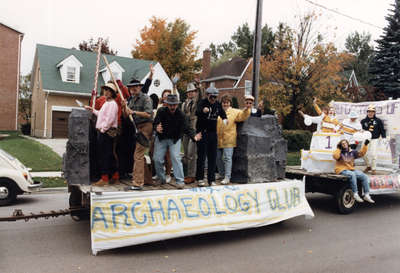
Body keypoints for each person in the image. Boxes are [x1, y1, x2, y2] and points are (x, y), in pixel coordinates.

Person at [153, 94, 201, 188]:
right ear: (166, 104)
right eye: (170, 105)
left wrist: (194, 137)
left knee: (175, 157)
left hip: (174, 139)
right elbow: (155, 123)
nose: (172, 107)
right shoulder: (161, 111)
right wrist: (156, 128)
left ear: (177, 105)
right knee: (157, 159)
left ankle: (180, 181)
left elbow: (187, 128)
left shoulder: (181, 115)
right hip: (162, 138)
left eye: (174, 105)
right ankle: (161, 178)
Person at [84, 83, 119, 186]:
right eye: (105, 90)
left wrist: (102, 130)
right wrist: (93, 110)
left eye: (109, 90)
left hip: (106, 133)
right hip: (105, 132)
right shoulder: (107, 103)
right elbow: (102, 115)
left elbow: (109, 119)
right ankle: (114, 176)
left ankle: (104, 179)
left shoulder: (112, 104)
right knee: (109, 155)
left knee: (104, 156)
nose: (106, 92)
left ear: (112, 93)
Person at [123, 78, 153, 190]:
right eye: (131, 87)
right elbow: (126, 116)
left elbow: (149, 114)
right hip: (137, 128)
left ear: (140, 87)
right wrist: (124, 107)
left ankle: (138, 183)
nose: (133, 88)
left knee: (138, 155)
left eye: (135, 86)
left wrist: (133, 112)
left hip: (146, 127)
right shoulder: (130, 101)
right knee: (139, 155)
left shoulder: (146, 98)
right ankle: (148, 180)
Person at [195, 86, 228, 187]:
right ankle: (200, 178)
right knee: (201, 157)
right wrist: (203, 110)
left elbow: (222, 114)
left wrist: (225, 119)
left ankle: (211, 179)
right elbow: (197, 112)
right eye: (211, 97)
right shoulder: (202, 102)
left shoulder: (217, 105)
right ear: (207, 95)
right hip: (202, 133)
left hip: (213, 134)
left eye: (215, 97)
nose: (213, 99)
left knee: (212, 157)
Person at [216, 94, 252, 184]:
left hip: (229, 138)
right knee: (217, 158)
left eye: (227, 102)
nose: (225, 104)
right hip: (217, 139)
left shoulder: (235, 112)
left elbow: (243, 116)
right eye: (224, 103)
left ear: (230, 103)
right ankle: (221, 173)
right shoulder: (217, 111)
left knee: (228, 158)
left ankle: (227, 177)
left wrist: (247, 109)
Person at [333, 139, 375, 203]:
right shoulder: (340, 152)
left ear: (347, 144)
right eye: (342, 144)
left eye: (345, 143)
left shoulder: (352, 152)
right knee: (352, 175)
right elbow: (335, 156)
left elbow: (361, 154)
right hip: (341, 169)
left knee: (364, 176)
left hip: (350, 169)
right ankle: (355, 193)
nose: (344, 144)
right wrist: (339, 148)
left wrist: (365, 145)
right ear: (341, 145)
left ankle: (366, 195)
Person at [182, 82, 200, 184]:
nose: (190, 93)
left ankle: (191, 175)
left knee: (191, 153)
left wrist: (199, 86)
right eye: (189, 92)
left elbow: (200, 97)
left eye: (192, 91)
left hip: (194, 129)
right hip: (185, 130)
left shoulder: (197, 102)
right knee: (185, 153)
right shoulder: (184, 103)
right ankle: (186, 174)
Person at [361, 104, 386, 175]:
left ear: (374, 112)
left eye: (372, 111)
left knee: (373, 154)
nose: (370, 113)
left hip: (374, 139)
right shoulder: (363, 121)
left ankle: (374, 168)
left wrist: (384, 137)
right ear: (367, 112)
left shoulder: (378, 121)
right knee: (363, 154)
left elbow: (382, 130)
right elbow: (360, 130)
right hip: (365, 139)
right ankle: (368, 166)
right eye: (369, 111)